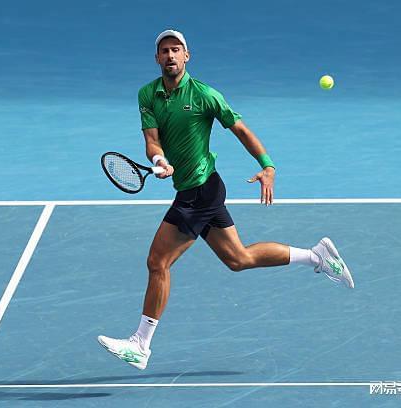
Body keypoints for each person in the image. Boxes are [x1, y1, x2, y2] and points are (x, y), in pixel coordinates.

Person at [97, 29, 354, 370]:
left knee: (158, 262)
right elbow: (151, 140)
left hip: (200, 191)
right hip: (197, 189)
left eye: (176, 49)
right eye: (165, 51)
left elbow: (241, 130)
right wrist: (159, 160)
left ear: (187, 56)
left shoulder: (205, 95)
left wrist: (268, 166)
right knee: (238, 258)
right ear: (157, 58)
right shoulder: (148, 94)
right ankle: (316, 256)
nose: (171, 55)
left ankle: (140, 344)